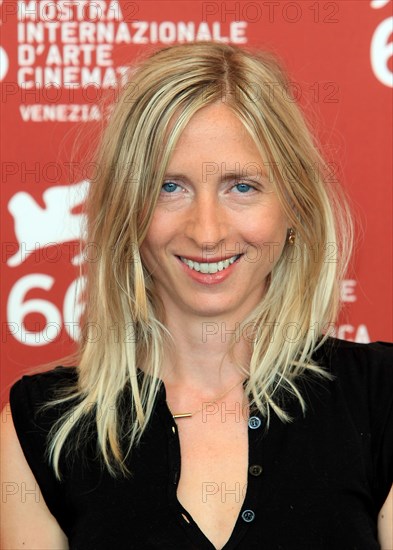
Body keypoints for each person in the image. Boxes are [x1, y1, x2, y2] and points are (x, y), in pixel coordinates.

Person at [1, 42, 392, 550]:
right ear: (126, 211)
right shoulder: (40, 427)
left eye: (242, 187)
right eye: (169, 187)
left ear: (294, 205)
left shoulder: (380, 400)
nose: (206, 233)